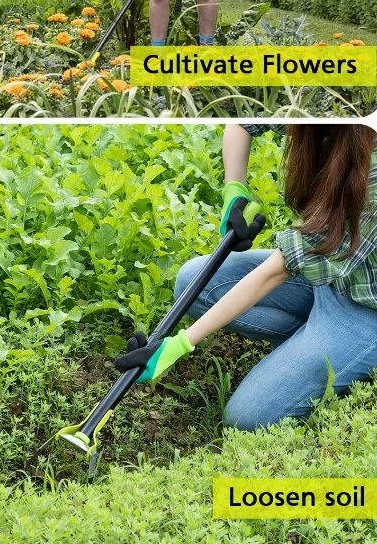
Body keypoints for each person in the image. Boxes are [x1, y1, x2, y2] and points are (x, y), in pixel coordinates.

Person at [116, 123, 377, 431]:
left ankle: (340, 354)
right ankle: (311, 344)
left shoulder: (371, 172)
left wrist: (180, 344)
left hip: (365, 310)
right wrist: (234, 188)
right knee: (192, 281)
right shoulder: (319, 111)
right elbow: (243, 121)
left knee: (247, 417)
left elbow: (275, 271)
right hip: (329, 277)